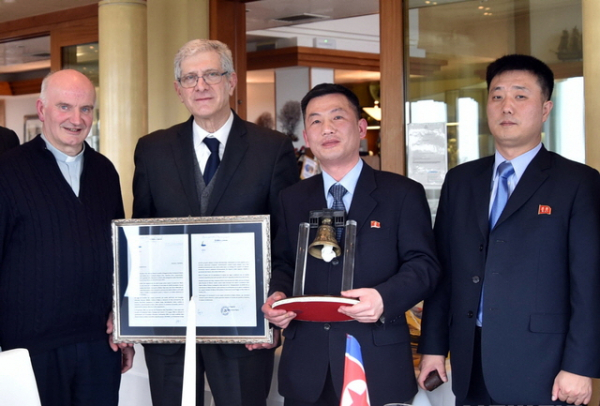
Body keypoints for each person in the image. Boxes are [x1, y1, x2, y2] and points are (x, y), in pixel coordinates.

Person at [417, 54, 600, 406]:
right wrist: (434, 348)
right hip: (471, 363)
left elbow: (589, 283)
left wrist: (580, 365)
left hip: (545, 368)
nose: (506, 107)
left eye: (520, 96)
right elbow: (446, 273)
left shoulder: (577, 183)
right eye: (497, 96)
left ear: (545, 109)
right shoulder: (461, 180)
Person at [132, 39, 299, 406]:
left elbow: (285, 242)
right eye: (190, 78)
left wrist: (275, 306)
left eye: (211, 74)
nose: (201, 86)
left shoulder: (272, 149)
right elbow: (141, 240)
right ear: (179, 90)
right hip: (170, 329)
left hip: (244, 328)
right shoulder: (152, 149)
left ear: (232, 81)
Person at [261, 83, 440, 406]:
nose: (326, 128)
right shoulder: (293, 198)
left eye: (337, 118)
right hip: (306, 366)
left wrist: (384, 298)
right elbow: (285, 263)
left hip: (376, 362)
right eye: (315, 121)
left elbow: (424, 266)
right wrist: (278, 295)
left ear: (360, 128)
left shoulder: (401, 194)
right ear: (306, 135)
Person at [0, 69, 134, 406]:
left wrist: (126, 326)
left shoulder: (105, 171)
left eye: (86, 109)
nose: (76, 119)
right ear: (42, 109)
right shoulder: (7, 171)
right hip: (29, 349)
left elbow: (119, 256)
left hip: (98, 345)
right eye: (65, 107)